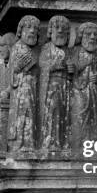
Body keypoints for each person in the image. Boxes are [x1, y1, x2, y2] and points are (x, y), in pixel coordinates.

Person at [39, 16, 74, 149]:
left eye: (64, 29)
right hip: (51, 87)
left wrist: (71, 70)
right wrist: (54, 65)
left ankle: (64, 142)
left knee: (65, 115)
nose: (60, 31)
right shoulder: (47, 48)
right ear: (50, 31)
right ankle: (51, 141)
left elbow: (72, 72)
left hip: (65, 87)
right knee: (53, 112)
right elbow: (42, 65)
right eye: (57, 28)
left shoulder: (68, 51)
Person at [7, 15, 40, 152]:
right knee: (22, 112)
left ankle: (28, 143)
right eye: (28, 27)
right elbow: (12, 71)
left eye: (35, 29)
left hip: (31, 86)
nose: (32, 31)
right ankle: (20, 143)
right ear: (20, 30)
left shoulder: (32, 50)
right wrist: (18, 68)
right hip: (21, 87)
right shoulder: (17, 47)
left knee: (30, 113)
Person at [71, 22, 97, 139]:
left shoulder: (96, 55)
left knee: (93, 119)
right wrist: (84, 76)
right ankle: (79, 143)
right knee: (79, 118)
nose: (93, 37)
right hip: (78, 92)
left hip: (93, 93)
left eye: (95, 35)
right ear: (81, 36)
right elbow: (71, 72)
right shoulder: (75, 51)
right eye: (89, 34)